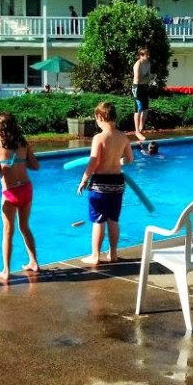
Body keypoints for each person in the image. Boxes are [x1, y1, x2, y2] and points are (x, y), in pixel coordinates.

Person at [77, 102, 134, 265]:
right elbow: (130, 159)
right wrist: (117, 161)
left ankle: (95, 256)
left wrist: (83, 180)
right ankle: (113, 254)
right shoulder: (123, 137)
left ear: (100, 117)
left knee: (99, 220)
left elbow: (93, 162)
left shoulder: (99, 138)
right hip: (117, 182)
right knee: (113, 220)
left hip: (100, 184)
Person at [0, 112, 40, 280]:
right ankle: (34, 262)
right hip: (26, 189)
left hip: (10, 192)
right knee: (24, 227)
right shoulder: (23, 143)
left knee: (7, 231)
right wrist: (20, 160)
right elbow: (35, 166)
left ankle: (6, 271)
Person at [132, 47, 152, 141]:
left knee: (146, 109)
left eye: (148, 54)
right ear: (141, 55)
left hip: (144, 87)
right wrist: (147, 78)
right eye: (146, 55)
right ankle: (137, 131)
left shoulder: (148, 63)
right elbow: (138, 79)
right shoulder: (137, 65)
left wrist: (147, 78)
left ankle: (140, 128)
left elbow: (149, 76)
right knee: (138, 109)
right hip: (137, 87)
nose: (148, 56)